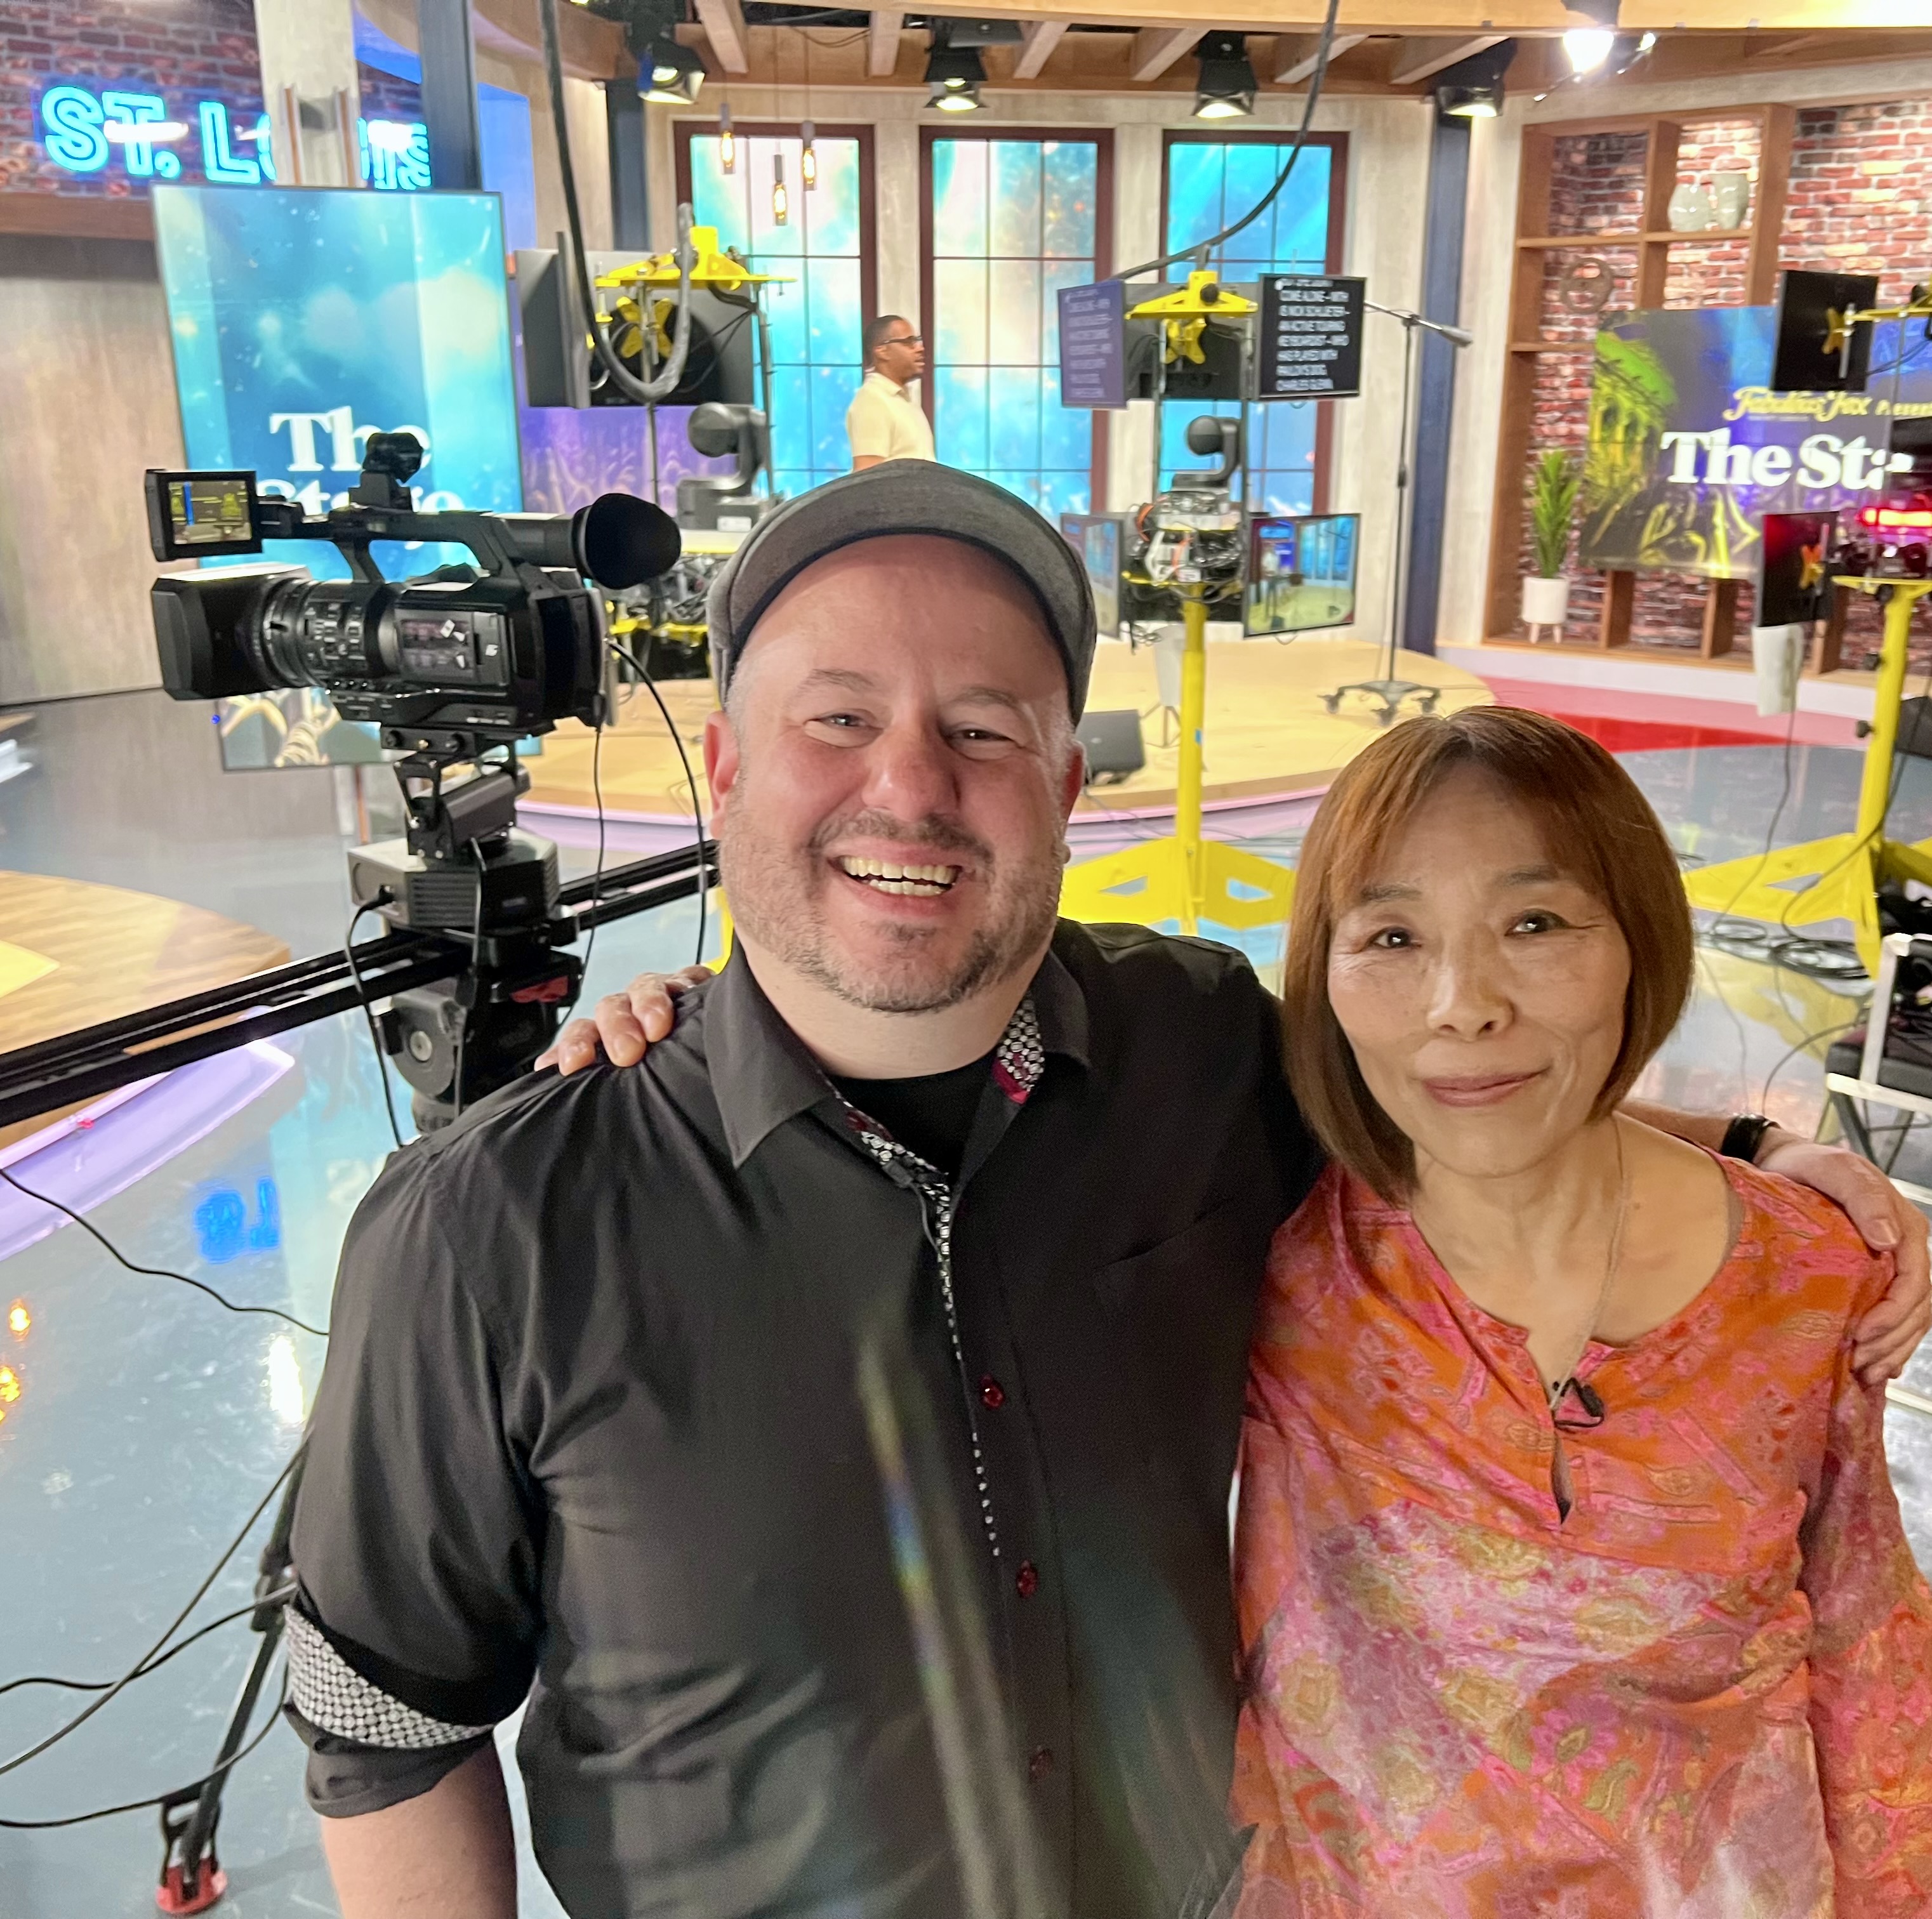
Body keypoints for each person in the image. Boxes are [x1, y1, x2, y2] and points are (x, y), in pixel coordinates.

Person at [294, 464, 1928, 1919]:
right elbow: (385, 1729)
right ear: (723, 769)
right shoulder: (488, 1230)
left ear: (1069, 788)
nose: (909, 786)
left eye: (982, 728)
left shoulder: (1198, 1048)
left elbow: (1446, 1088)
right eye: (838, 720)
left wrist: (1761, 1156)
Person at [1234, 707, 1932, 1915]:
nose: (1461, 1002)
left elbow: (1866, 1651)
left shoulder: (1809, 1274)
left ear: (1635, 941)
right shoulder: (1267, 1250)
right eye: (1391, 935)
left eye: (1534, 923)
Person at [848, 313, 936, 469]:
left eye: (917, 341)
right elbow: (867, 476)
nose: (920, 348)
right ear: (882, 351)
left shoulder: (903, 400)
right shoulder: (872, 401)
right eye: (909, 342)